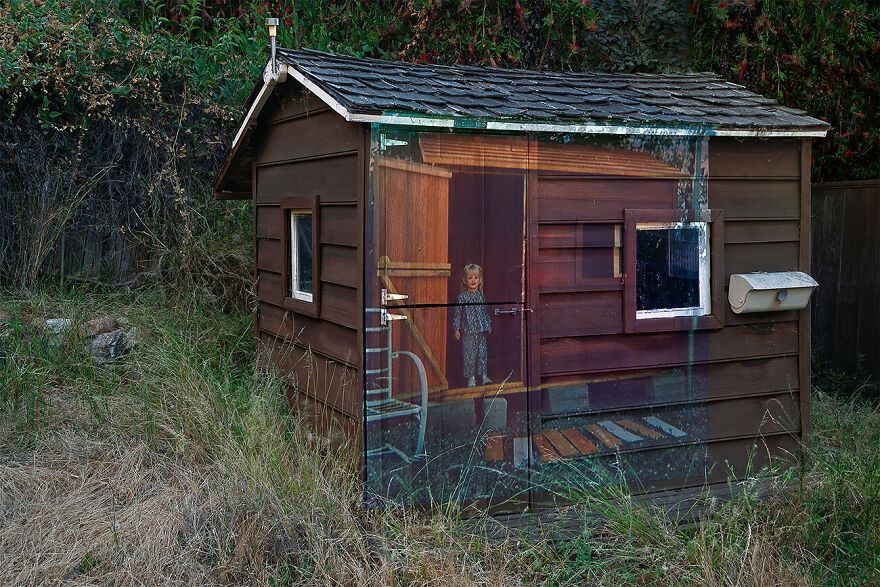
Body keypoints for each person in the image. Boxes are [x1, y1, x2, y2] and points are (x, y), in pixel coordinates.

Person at [453, 264, 492, 387]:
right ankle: (471, 379)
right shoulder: (462, 297)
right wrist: (456, 328)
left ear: (480, 280)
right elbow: (457, 314)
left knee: (482, 354)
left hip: (481, 330)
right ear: (465, 280)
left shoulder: (481, 296)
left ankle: (484, 376)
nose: (473, 280)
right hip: (468, 331)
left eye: (476, 277)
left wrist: (488, 324)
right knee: (469, 355)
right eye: (470, 278)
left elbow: (484, 311)